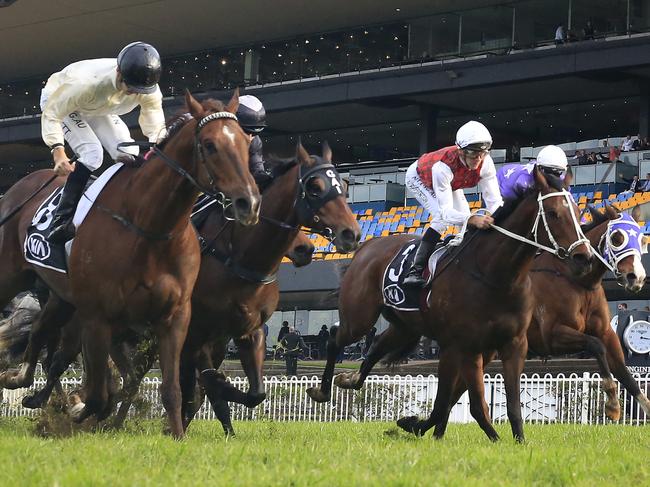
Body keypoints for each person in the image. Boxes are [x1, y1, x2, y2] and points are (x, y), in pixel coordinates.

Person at [41, 41, 166, 243]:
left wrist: (160, 146)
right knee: (92, 153)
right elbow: (53, 114)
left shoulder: (148, 88)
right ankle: (60, 221)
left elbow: (154, 121)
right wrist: (58, 151)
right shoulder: (85, 83)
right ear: (118, 72)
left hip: (97, 106)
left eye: (139, 91)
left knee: (129, 153)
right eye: (131, 88)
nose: (134, 94)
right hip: (59, 101)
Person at [403, 121, 503, 287]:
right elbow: (446, 213)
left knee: (464, 221)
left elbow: (495, 202)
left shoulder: (487, 163)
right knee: (442, 220)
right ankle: (415, 271)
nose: (478, 158)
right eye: (473, 153)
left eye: (482, 153)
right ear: (461, 152)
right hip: (419, 178)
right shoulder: (442, 167)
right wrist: (472, 219)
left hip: (453, 181)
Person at [497, 145, 569, 201]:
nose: (553, 177)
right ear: (540, 169)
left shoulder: (561, 179)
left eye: (558, 172)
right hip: (502, 184)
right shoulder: (523, 183)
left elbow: (570, 201)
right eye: (549, 172)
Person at [236, 94, 272, 185]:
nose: (250, 137)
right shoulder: (216, 136)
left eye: (255, 134)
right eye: (245, 132)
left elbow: (257, 170)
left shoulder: (255, 142)